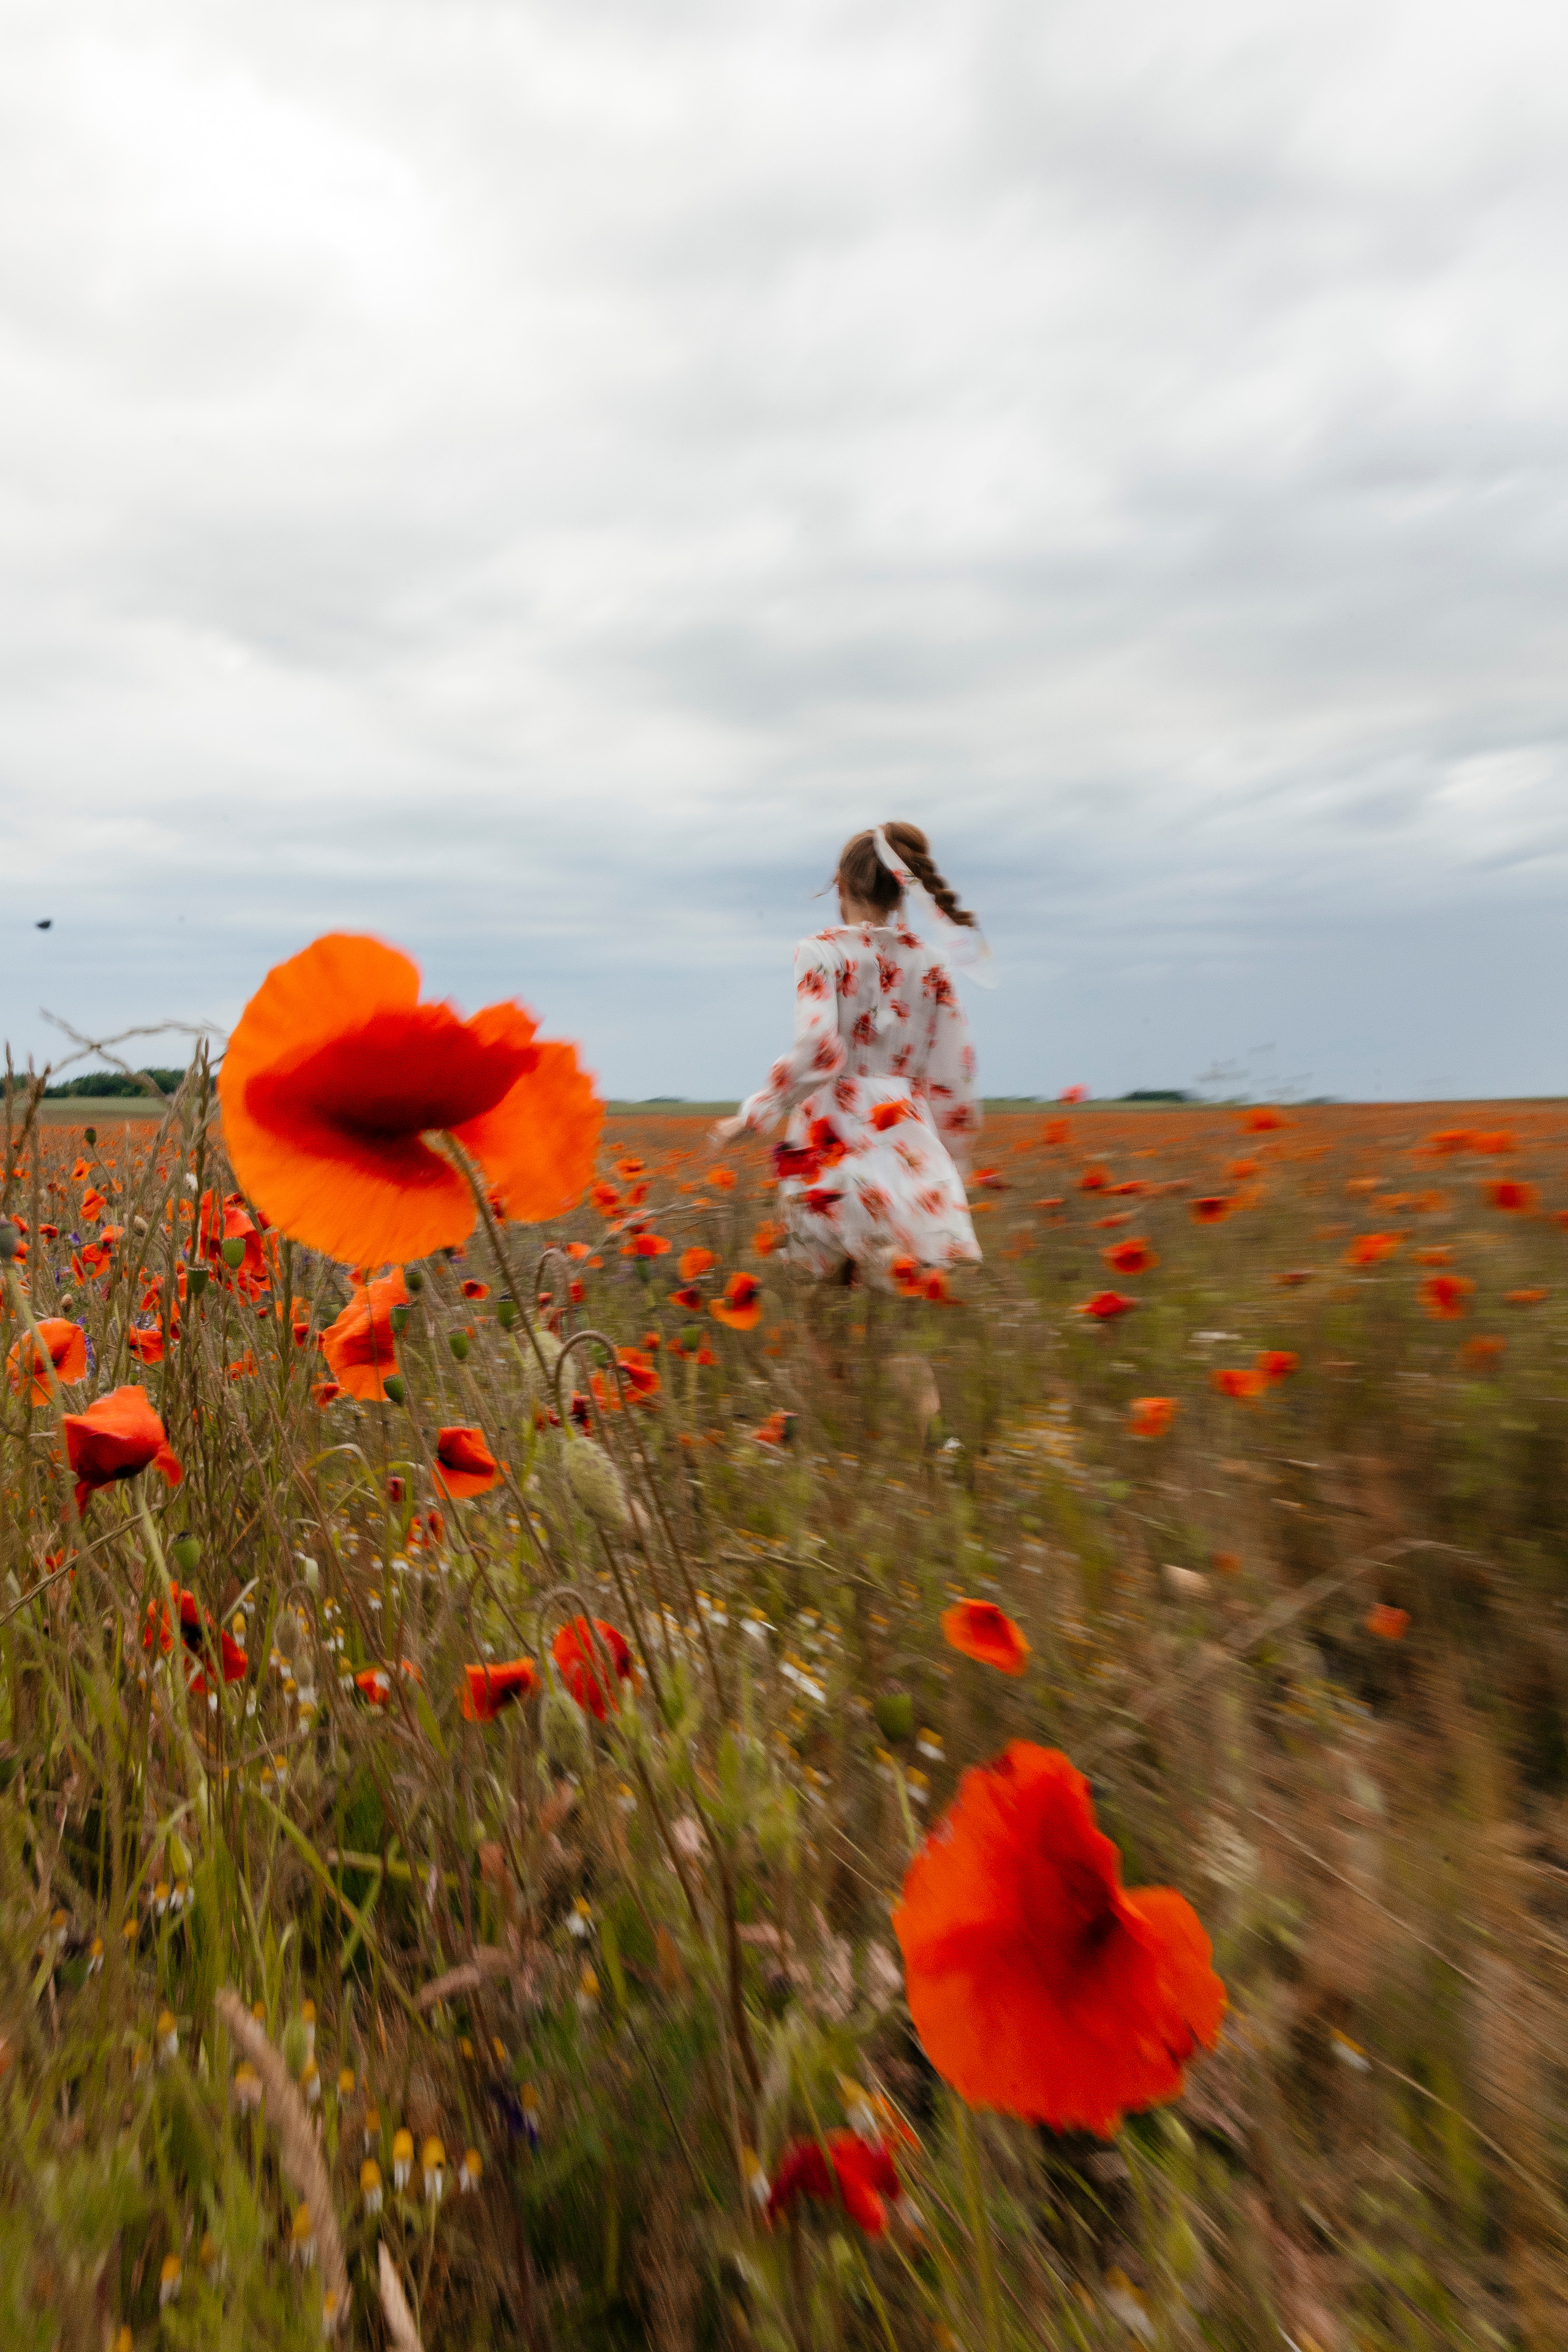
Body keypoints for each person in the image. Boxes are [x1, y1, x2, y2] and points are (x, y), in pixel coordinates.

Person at [712, 824, 984, 1291]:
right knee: (900, 1289)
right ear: (902, 888)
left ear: (841, 883)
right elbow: (952, 1073)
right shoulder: (933, 964)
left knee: (829, 1292)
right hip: (905, 1131)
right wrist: (952, 1159)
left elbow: (818, 1052)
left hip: (832, 1130)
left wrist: (756, 1115)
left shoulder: (821, 953)